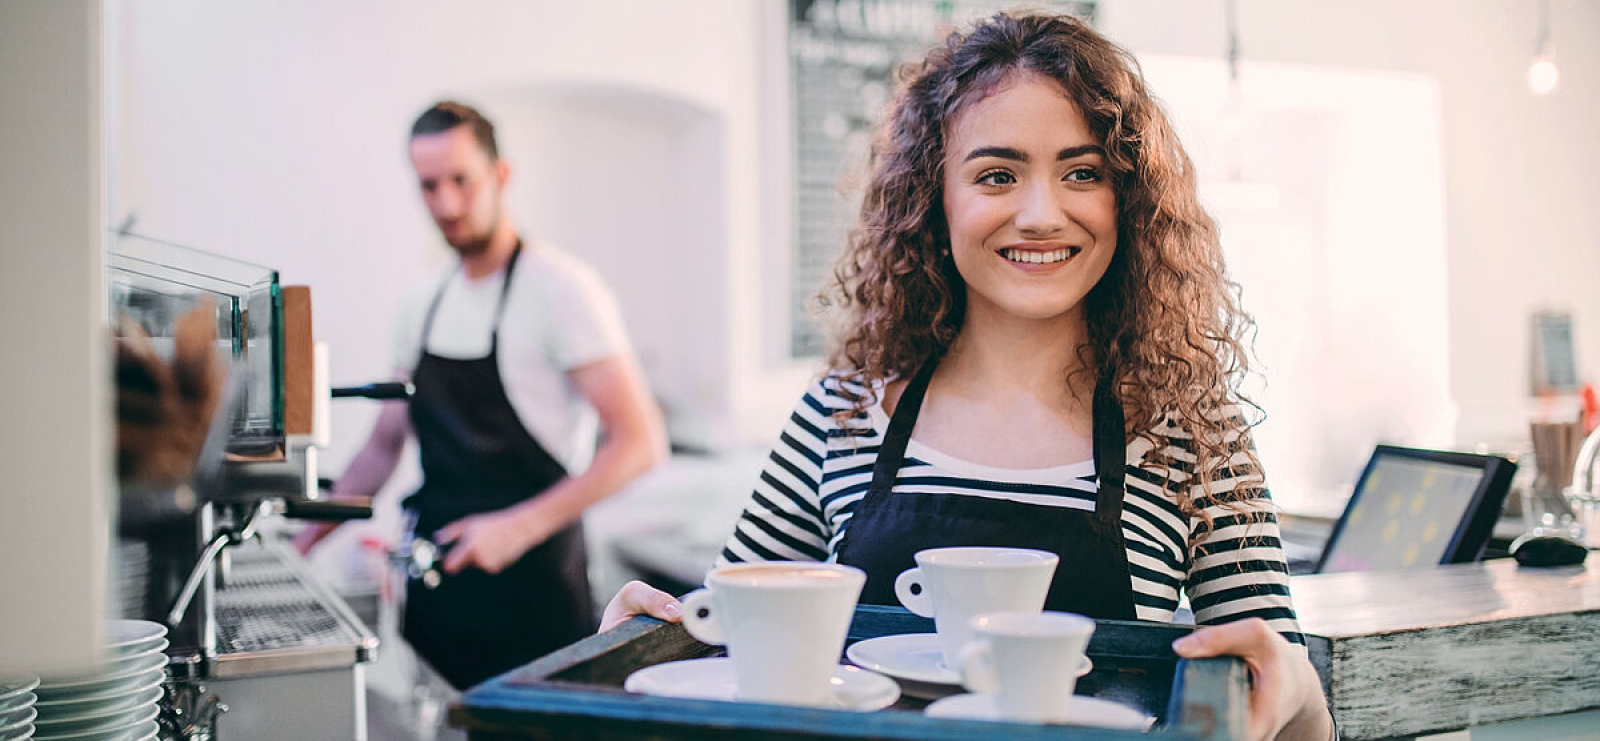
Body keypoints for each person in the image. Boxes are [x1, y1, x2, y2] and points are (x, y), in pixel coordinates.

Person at [601, 13, 1332, 741]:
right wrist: (643, 637)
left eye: (1083, 172)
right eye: (997, 175)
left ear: (1127, 199)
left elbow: (1291, 706)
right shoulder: (843, 413)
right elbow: (727, 644)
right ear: (934, 199)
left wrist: (1295, 684)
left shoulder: (1191, 432)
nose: (1043, 213)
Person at [298, 100, 668, 690]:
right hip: (437, 607)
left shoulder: (562, 291)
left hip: (536, 602)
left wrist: (516, 528)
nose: (445, 204)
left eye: (460, 181)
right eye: (428, 186)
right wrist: (302, 544)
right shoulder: (420, 303)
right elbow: (384, 445)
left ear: (500, 175)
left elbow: (641, 442)